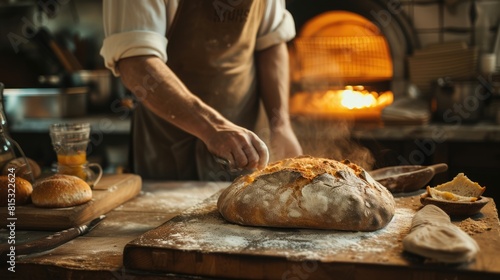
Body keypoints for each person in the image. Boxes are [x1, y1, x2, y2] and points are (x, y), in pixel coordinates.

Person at [100, 0, 302, 180]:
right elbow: (136, 62)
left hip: (248, 146)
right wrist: (213, 127)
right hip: (169, 154)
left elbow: (271, 42)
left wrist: (280, 124)